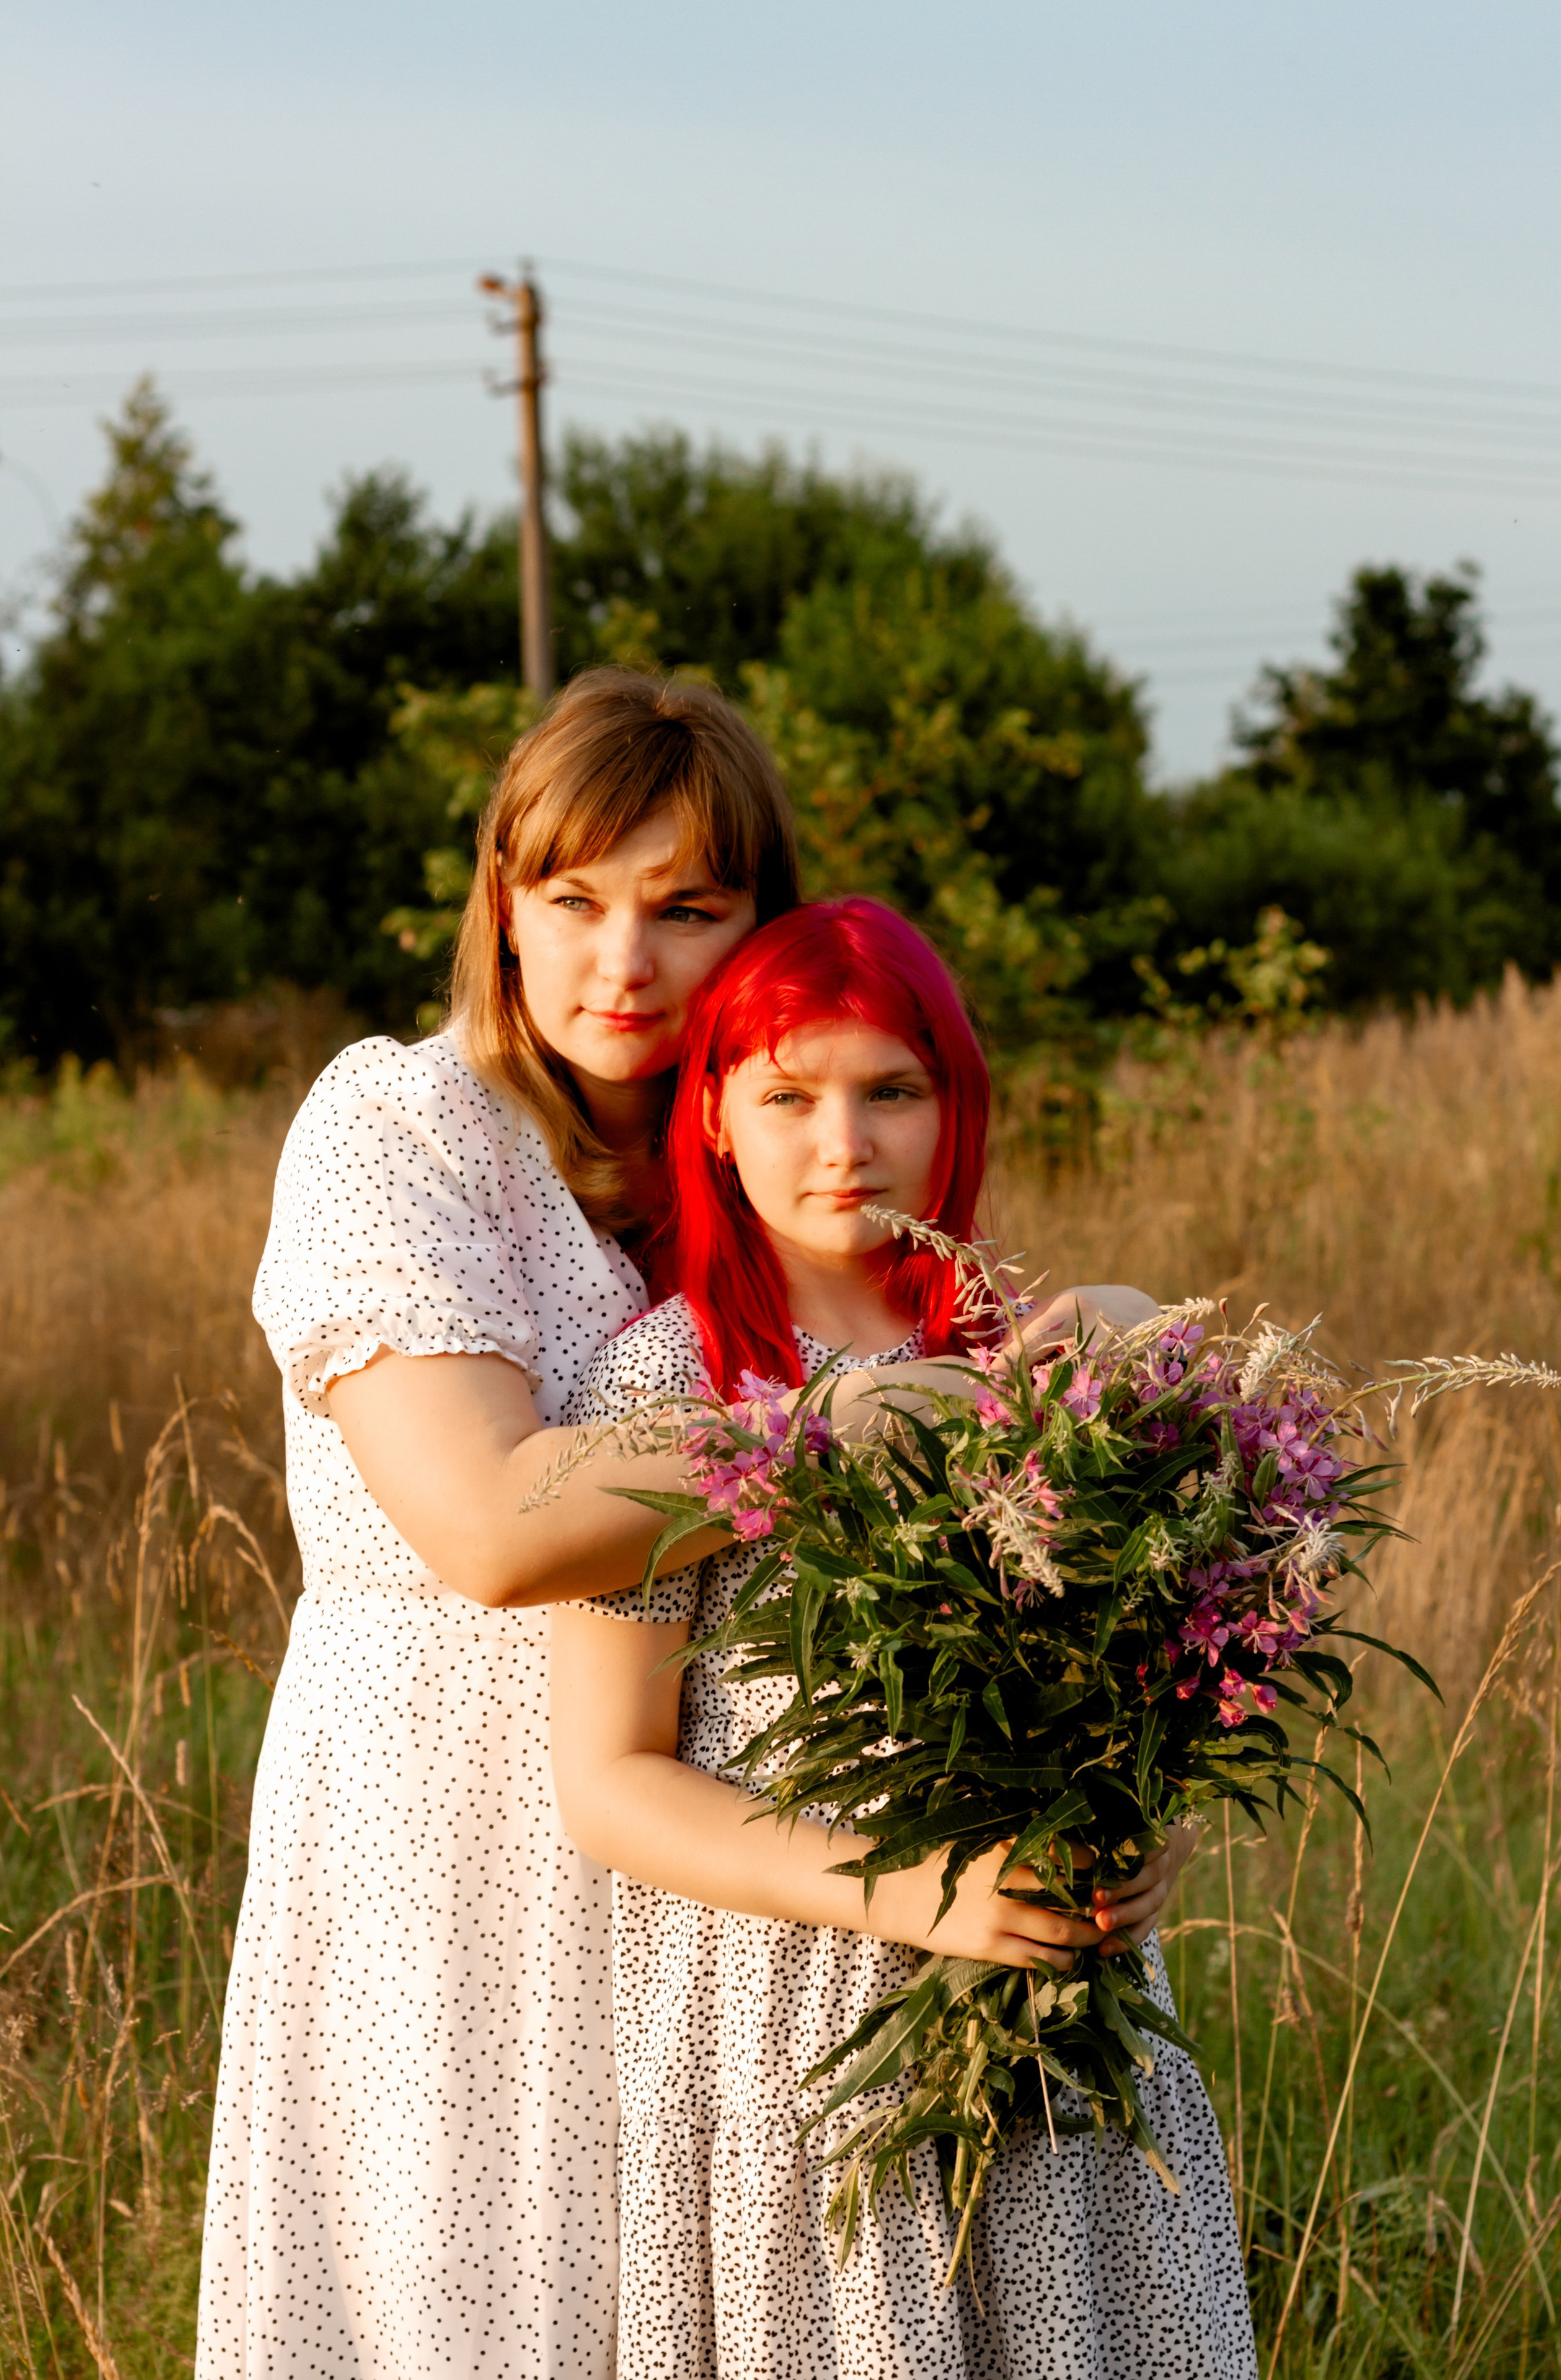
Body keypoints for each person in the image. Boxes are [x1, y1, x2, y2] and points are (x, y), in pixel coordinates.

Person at [197, 670, 1169, 2380]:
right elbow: (491, 1529)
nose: (621, 964)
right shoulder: (402, 1129)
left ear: (763, 925)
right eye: (570, 901)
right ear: (501, 903)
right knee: (467, 2321)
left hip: (728, 1910)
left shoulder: (776, 1155)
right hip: (446, 1863)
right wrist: (838, 1425)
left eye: (687, 909)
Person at [550, 898, 1250, 2380]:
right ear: (717, 1120)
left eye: (890, 1091)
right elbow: (608, 1781)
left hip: (1056, 2016)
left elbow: (1137, 1677)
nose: (842, 1144)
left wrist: (1132, 1825)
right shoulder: (673, 1379)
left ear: (954, 1106)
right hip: (802, 2031)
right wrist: (920, 1895)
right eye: (788, 1096)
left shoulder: (1025, 1357)